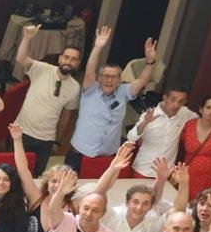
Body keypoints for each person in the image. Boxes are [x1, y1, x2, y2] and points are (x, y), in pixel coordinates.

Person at [65, 28, 158, 173]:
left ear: (119, 79)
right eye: (106, 76)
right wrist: (97, 47)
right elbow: (89, 71)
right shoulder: (91, 89)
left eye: (114, 77)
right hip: (81, 152)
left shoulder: (124, 91)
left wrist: (150, 61)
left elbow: (142, 80)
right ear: (99, 78)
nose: (109, 80)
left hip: (107, 155)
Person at [13, 25, 82, 175]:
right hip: (22, 132)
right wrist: (27, 38)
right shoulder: (41, 69)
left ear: (77, 64)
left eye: (74, 59)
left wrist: (57, 141)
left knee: (37, 175)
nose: (69, 61)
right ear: (60, 58)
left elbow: (66, 116)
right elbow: (21, 58)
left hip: (46, 139)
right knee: (17, 173)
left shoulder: (75, 87)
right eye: (66, 57)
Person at [127, 87, 197, 176]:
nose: (176, 104)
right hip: (144, 169)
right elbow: (131, 137)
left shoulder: (186, 113)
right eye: (173, 99)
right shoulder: (150, 114)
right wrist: (145, 122)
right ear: (165, 98)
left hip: (166, 172)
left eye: (181, 101)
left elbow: (202, 121)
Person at [181, 94, 211, 196]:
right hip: (187, 177)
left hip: (210, 181)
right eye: (208, 107)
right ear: (201, 109)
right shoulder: (190, 125)